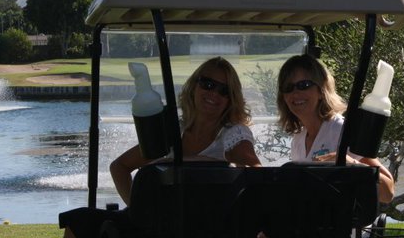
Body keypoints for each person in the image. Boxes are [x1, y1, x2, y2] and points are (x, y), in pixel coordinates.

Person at [60, 56, 261, 238]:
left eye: (224, 91)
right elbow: (119, 167)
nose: (214, 94)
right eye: (208, 84)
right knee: (80, 221)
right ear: (194, 86)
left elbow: (256, 173)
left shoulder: (232, 135)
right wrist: (140, 211)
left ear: (231, 99)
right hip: (160, 225)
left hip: (206, 227)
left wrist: (191, 163)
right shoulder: (173, 131)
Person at [276, 53, 395, 203]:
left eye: (303, 85)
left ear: (321, 91)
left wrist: (349, 164)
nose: (295, 93)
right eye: (288, 87)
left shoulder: (341, 130)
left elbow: (388, 192)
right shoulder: (298, 140)